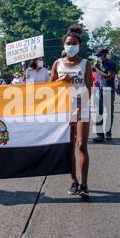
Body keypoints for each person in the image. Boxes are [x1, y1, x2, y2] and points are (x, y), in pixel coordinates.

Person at [50, 25, 93, 200]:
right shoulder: (57, 64)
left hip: (81, 107)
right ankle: (73, 181)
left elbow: (89, 89)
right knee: (68, 147)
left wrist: (78, 109)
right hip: (62, 109)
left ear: (79, 46)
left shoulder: (85, 64)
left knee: (81, 145)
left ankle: (84, 184)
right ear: (64, 45)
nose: (71, 46)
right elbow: (50, 87)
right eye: (68, 43)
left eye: (74, 43)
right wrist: (61, 79)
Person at [93, 48, 117, 143]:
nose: (98, 57)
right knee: (98, 113)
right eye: (97, 56)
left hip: (108, 90)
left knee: (109, 113)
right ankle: (100, 135)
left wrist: (98, 69)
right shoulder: (97, 64)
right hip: (99, 90)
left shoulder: (111, 64)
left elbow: (108, 77)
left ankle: (108, 132)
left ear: (104, 55)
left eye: (99, 55)